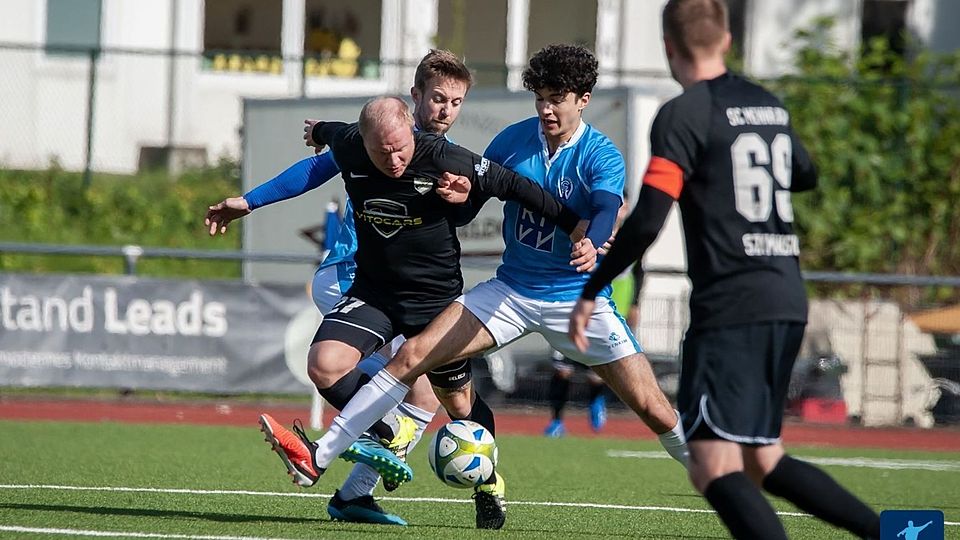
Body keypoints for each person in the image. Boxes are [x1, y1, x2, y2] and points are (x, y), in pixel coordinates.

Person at [261, 43, 690, 531]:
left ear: (583, 100)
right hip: (510, 290)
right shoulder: (510, 141)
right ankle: (320, 457)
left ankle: (713, 480)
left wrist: (592, 239)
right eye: (540, 99)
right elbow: (469, 202)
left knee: (655, 411)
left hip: (576, 300)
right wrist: (460, 197)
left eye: (557, 99)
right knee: (412, 360)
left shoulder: (600, 154)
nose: (546, 109)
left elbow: (609, 205)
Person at [568, 2, 881, 538]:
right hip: (785, 296)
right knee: (763, 460)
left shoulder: (684, 114)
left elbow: (646, 220)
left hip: (732, 305)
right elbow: (805, 172)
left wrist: (593, 288)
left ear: (669, 47)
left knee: (712, 465)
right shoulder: (768, 104)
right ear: (728, 40)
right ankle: (891, 533)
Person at [257, 96, 592, 530]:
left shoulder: (446, 158)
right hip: (374, 292)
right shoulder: (353, 142)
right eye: (383, 151)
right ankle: (382, 435)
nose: (393, 159)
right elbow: (331, 135)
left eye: (400, 148)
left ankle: (487, 483)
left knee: (459, 404)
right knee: (327, 365)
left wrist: (573, 225)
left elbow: (515, 187)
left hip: (434, 303)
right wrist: (316, 132)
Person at [205, 50, 476, 526]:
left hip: (405, 291)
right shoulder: (386, 138)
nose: (444, 110)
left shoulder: (446, 159)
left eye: (454, 102)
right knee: (403, 376)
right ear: (414, 98)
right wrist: (250, 200)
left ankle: (355, 493)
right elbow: (321, 164)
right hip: (354, 276)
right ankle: (379, 435)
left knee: (424, 390)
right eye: (436, 98)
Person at [544, 349, 607, 437]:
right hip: (565, 340)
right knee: (562, 372)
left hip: (592, 341)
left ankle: (596, 400)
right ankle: (557, 420)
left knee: (596, 378)